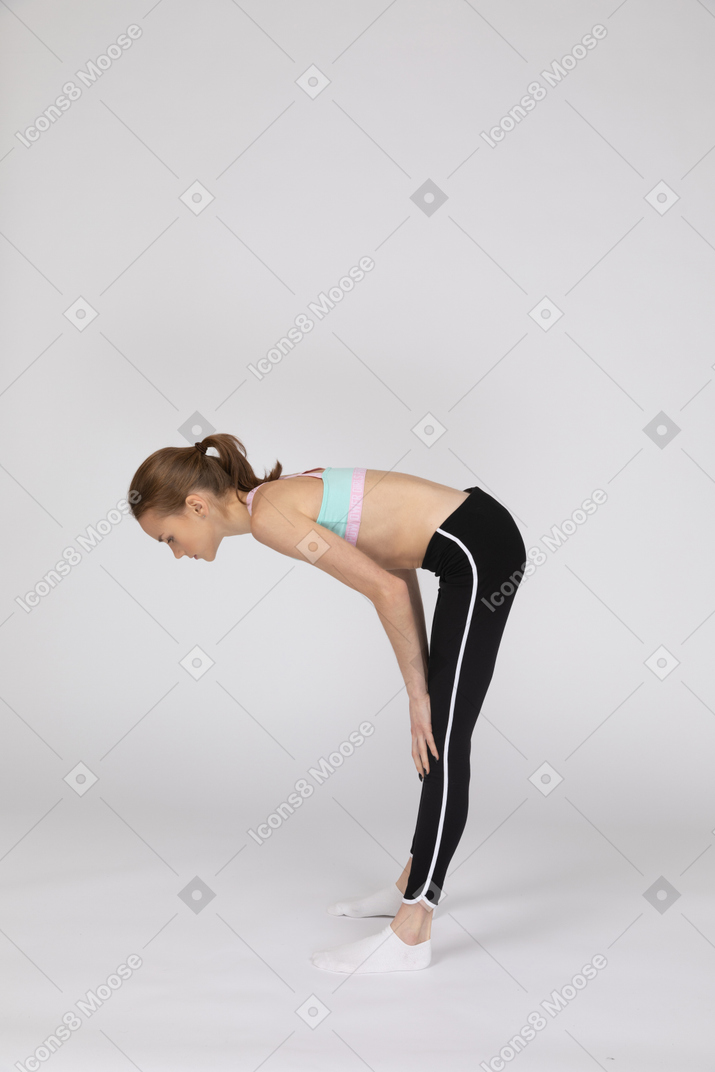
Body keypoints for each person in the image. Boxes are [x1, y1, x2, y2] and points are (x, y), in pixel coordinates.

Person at [128, 432, 526, 974]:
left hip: (479, 549)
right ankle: (412, 882)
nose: (176, 553)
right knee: (436, 719)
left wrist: (418, 697)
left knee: (443, 737)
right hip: (470, 539)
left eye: (168, 537)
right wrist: (422, 688)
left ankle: (413, 930)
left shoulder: (271, 516)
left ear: (196, 506)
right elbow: (394, 567)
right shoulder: (271, 500)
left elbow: (383, 590)